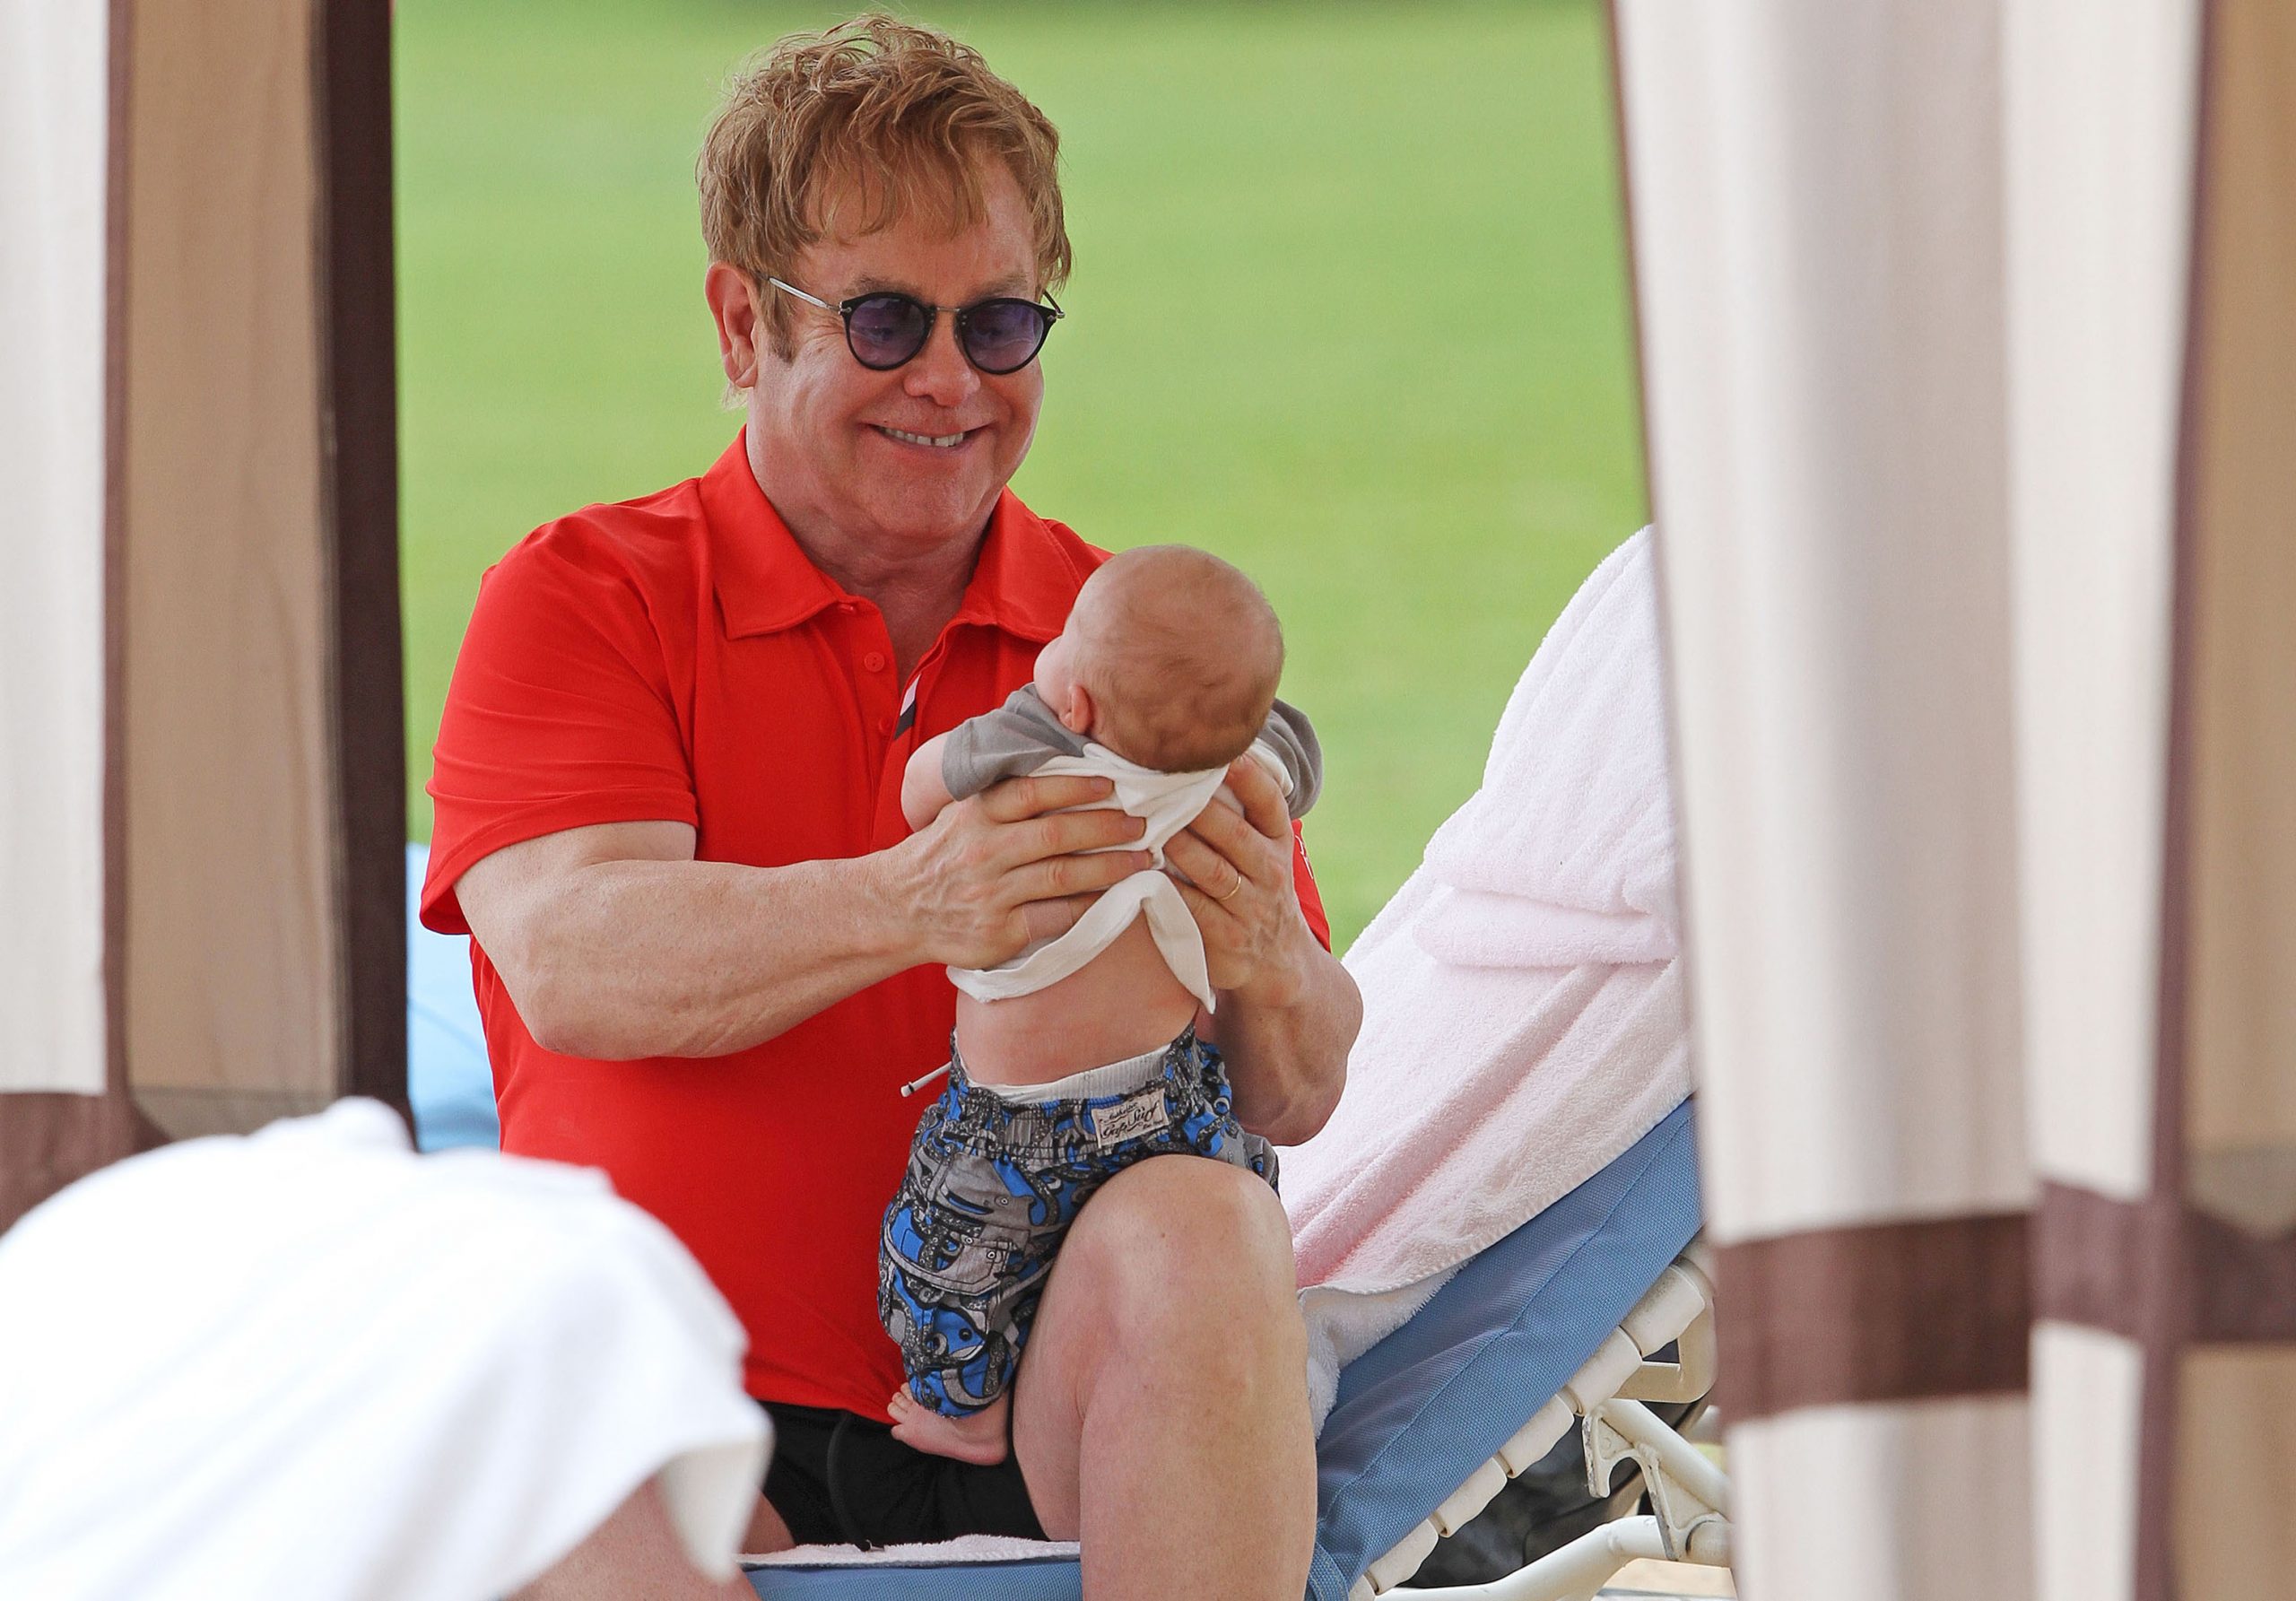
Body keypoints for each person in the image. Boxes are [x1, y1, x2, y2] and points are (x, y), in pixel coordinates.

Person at [419, 15, 1361, 1597]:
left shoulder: (1121, 639)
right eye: (881, 322)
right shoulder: (587, 593)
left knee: (1209, 1226)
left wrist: (1263, 943)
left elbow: (1300, 1088)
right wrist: (919, 900)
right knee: (528, 1415)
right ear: (743, 325)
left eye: (999, 324)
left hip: (1044, 1401)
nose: (948, 379)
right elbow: (573, 959)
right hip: (691, 1417)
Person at [881, 544, 1322, 1465]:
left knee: (947, 1259)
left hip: (1015, 1129)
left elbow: (919, 792)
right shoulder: (1248, 776)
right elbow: (1296, 755)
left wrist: (1017, 726)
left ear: (1075, 699)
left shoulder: (1033, 751)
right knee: (1222, 1227)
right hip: (1178, 1098)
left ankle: (965, 1409)